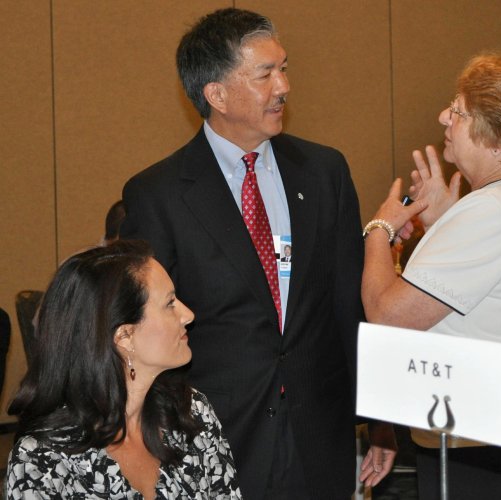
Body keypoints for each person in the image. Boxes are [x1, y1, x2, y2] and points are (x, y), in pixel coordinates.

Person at [120, 7, 396, 499]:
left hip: (319, 432)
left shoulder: (324, 171)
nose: (284, 86)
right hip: (215, 437)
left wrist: (379, 417)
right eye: (265, 74)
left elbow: (346, 304)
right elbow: (144, 329)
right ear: (217, 94)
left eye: (283, 68)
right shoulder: (158, 194)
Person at [361, 53, 501, 499]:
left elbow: (387, 316)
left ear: (497, 141)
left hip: (484, 442)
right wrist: (448, 224)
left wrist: (379, 229)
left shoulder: (492, 213)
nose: (444, 117)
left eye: (459, 111)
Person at [5, 240, 241, 499]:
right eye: (170, 303)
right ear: (125, 337)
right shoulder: (42, 461)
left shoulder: (191, 412)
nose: (188, 315)